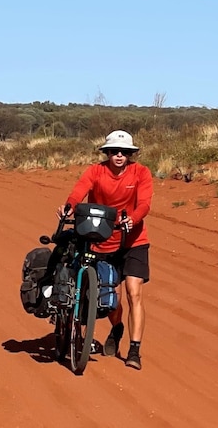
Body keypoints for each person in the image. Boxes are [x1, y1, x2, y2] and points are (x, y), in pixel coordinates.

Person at [57, 129, 154, 370]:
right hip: (102, 240)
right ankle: (117, 327)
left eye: (124, 152)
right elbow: (79, 191)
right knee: (112, 300)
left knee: (134, 291)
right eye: (114, 151)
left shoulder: (141, 172)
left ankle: (134, 350)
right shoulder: (95, 171)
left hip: (134, 241)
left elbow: (144, 203)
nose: (119, 155)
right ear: (107, 153)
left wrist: (133, 218)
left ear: (131, 154)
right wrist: (70, 206)